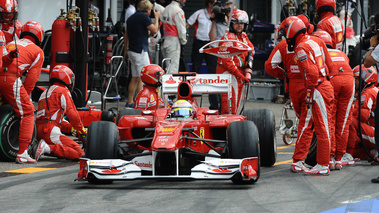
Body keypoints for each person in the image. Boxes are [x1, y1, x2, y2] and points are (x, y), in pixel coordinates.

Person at [279, 16, 334, 175]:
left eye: (285, 33)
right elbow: (329, 65)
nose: (285, 37)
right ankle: (298, 161)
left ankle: (323, 164)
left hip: (317, 89)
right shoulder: (317, 40)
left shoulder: (301, 47)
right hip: (324, 85)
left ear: (291, 30)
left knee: (321, 128)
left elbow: (311, 73)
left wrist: (309, 91)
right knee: (306, 124)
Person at [265, 14, 314, 174]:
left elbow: (270, 66)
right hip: (310, 85)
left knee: (303, 122)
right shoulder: (311, 42)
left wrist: (284, 75)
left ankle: (304, 156)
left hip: (293, 86)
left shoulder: (283, 44)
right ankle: (300, 159)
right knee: (307, 124)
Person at [0, 21, 45, 163]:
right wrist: (23, 97)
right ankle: (22, 153)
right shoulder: (38, 51)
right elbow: (31, 80)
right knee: (27, 111)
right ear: (39, 37)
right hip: (10, 79)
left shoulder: (11, 43)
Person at [313, 30, 355, 170]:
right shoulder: (342, 53)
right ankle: (339, 158)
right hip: (349, 80)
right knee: (343, 122)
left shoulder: (319, 53)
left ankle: (329, 157)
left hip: (333, 79)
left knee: (329, 119)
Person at [36, 65, 86, 161]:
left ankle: (43, 148)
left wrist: (71, 129)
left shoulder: (45, 93)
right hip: (50, 132)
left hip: (39, 132)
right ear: (66, 77)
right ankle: (47, 148)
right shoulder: (62, 91)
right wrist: (82, 130)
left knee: (66, 149)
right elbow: (73, 114)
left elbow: (55, 119)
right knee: (79, 153)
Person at [216, 9, 254, 115]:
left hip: (239, 75)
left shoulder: (244, 37)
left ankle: (232, 129)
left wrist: (248, 67)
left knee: (236, 107)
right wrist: (240, 75)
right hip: (229, 75)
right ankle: (226, 129)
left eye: (241, 23)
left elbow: (251, 49)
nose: (239, 26)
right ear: (232, 23)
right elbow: (227, 61)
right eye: (237, 23)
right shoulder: (227, 39)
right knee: (229, 107)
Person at [124, 0, 160, 108]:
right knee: (144, 77)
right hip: (140, 51)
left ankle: (130, 102)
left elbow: (126, 34)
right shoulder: (144, 17)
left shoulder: (131, 18)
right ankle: (141, 102)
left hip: (131, 50)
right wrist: (157, 17)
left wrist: (126, 49)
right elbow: (154, 30)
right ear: (148, 10)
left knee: (134, 77)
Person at [347, 65, 378, 163]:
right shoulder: (375, 90)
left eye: (356, 79)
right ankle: (374, 152)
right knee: (355, 147)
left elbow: (362, 117)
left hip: (375, 134)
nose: (354, 82)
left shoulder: (367, 93)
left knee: (349, 121)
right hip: (374, 132)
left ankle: (348, 154)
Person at [187, 0, 218, 74]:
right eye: (215, 4)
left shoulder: (218, 15)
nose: (217, 6)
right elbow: (187, 24)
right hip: (199, 42)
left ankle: (212, 83)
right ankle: (193, 83)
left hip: (212, 44)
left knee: (213, 67)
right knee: (196, 65)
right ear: (210, 4)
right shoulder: (199, 13)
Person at [160, 0, 187, 73]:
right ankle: (171, 84)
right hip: (174, 41)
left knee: (167, 67)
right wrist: (183, 41)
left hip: (165, 40)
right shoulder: (178, 11)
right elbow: (181, 30)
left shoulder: (165, 9)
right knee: (173, 69)